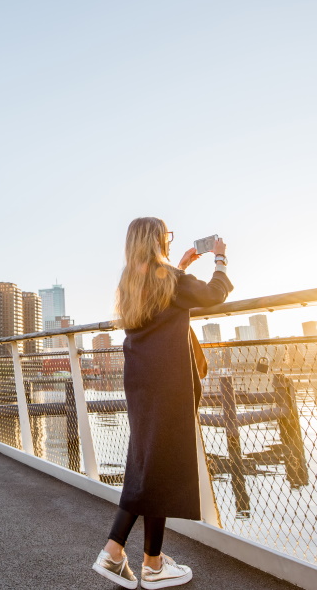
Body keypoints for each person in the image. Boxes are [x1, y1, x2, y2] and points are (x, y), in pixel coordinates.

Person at [92, 217, 231, 589]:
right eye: (166, 236)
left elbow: (162, 300)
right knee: (155, 467)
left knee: (151, 466)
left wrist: (182, 266)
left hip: (140, 382)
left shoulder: (130, 278)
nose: (169, 241)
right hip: (168, 384)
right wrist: (220, 259)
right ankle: (116, 553)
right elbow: (213, 294)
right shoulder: (166, 275)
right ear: (157, 239)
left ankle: (145, 561)